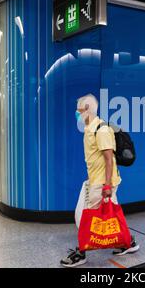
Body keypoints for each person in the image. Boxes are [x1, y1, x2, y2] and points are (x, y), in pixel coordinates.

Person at [60, 94, 139, 267]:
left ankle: (81, 253)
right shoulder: (90, 128)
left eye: (79, 110)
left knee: (84, 217)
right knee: (112, 216)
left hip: (102, 183)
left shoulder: (101, 130)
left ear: (87, 110)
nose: (77, 113)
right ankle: (128, 243)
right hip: (94, 180)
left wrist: (107, 186)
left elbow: (109, 159)